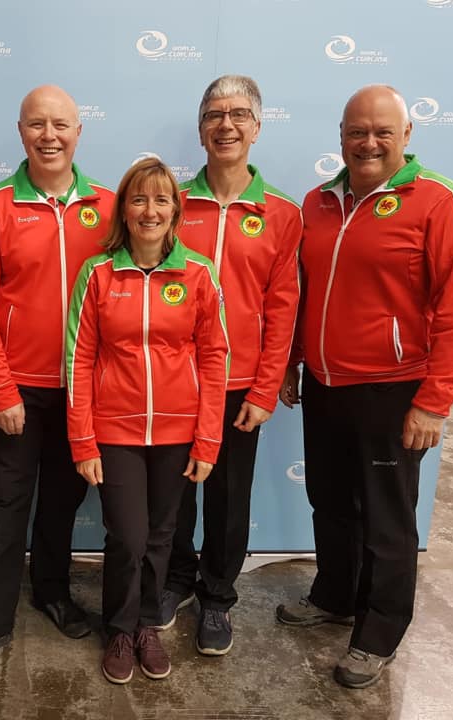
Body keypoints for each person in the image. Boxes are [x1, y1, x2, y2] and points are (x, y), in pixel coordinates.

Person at [275, 85, 453, 689]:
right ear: (340, 135)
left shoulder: (440, 202)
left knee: (388, 520)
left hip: (395, 390)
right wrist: (293, 361)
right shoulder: (319, 203)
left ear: (407, 135)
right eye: (356, 131)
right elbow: (302, 292)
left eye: (381, 132)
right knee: (331, 500)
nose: (367, 143)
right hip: (326, 384)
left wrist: (434, 399)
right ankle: (335, 596)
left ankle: (379, 632)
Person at [0, 85, 115, 679]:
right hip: (18, 390)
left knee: (65, 502)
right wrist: (1, 389)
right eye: (37, 124)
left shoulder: (110, 205)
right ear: (20, 131)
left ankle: (51, 592)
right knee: (6, 503)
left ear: (78, 131)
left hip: (83, 392)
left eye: (61, 124)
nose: (50, 135)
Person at [66, 158, 230, 683]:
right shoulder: (98, 273)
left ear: (175, 210)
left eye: (161, 200)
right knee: (129, 538)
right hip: (114, 431)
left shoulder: (199, 273)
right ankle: (118, 627)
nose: (150, 210)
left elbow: (214, 357)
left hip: (179, 432)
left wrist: (207, 441)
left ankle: (146, 627)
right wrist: (82, 441)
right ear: (124, 209)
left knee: (162, 537)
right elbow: (78, 360)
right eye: (139, 199)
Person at [163, 74, 302, 655]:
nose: (226, 124)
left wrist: (266, 389)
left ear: (257, 127)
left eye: (239, 114)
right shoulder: (169, 201)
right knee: (170, 494)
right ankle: (176, 581)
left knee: (227, 496)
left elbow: (283, 309)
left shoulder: (281, 214)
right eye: (215, 114)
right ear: (200, 130)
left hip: (239, 384)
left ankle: (218, 597)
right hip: (173, 381)